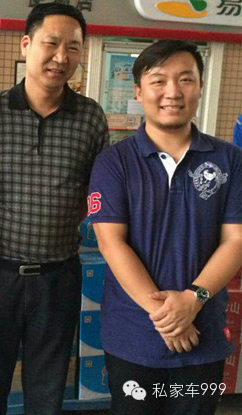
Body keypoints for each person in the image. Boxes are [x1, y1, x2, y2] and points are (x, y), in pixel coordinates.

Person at [0, 3, 109, 414]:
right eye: (51, 43)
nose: (61, 57)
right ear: (26, 44)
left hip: (57, 279)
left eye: (73, 48)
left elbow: (98, 193)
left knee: (47, 398)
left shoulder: (90, 118)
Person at [87, 39, 242, 415]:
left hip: (203, 337)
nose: (172, 91)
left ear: (200, 87)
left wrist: (192, 301)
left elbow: (236, 240)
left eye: (185, 79)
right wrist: (170, 318)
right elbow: (111, 243)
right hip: (134, 337)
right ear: (139, 91)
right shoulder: (114, 162)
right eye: (158, 80)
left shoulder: (230, 160)